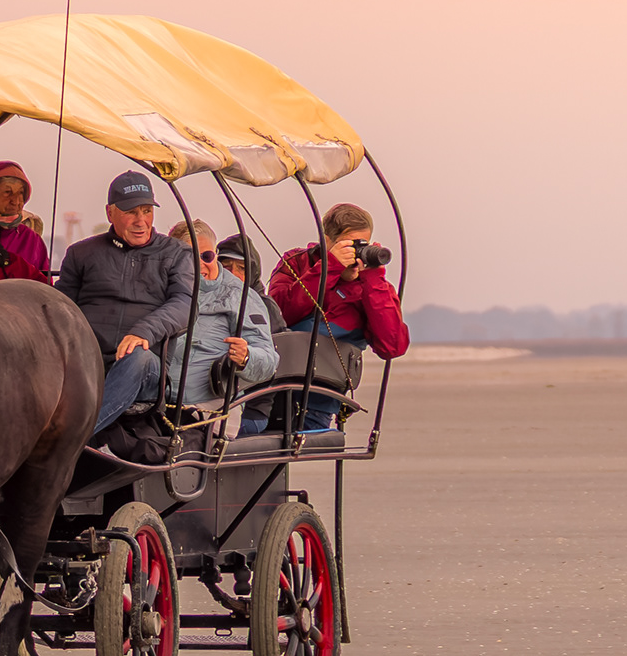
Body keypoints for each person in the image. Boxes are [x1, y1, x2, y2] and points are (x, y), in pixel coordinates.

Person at [55, 171, 196, 459]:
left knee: (138, 356)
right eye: (131, 212)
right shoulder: (81, 253)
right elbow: (61, 307)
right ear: (110, 213)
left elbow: (185, 305)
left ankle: (70, 441)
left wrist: (144, 332)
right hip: (87, 361)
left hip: (146, 369)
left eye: (147, 211)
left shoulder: (176, 253)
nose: (141, 220)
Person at [268, 203, 408, 432]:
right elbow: (279, 314)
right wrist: (329, 268)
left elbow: (392, 346)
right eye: (349, 245)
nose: (356, 253)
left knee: (296, 445)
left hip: (323, 394)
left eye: (362, 244)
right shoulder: (298, 262)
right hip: (275, 385)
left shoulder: (373, 285)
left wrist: (373, 279)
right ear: (326, 241)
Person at [171, 218, 279, 422]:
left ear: (215, 255)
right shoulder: (162, 288)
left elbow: (269, 360)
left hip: (208, 411)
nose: (200, 264)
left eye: (207, 256)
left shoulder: (241, 296)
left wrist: (246, 356)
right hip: (155, 402)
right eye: (189, 257)